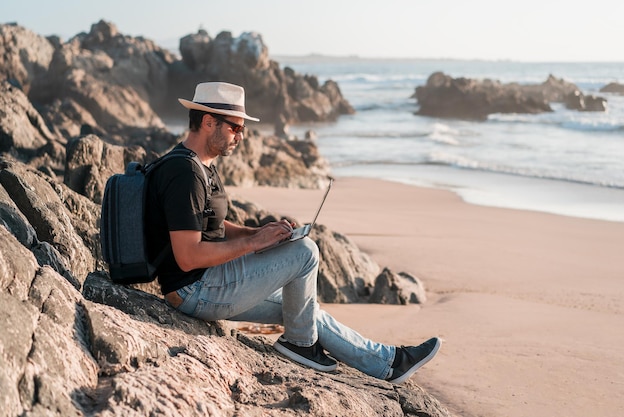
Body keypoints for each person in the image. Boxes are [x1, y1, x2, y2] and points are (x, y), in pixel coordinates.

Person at [145, 81, 441, 383]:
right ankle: (299, 345)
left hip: (207, 282)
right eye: (236, 128)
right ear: (209, 122)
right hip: (194, 290)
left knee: (303, 308)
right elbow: (188, 255)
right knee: (305, 252)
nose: (241, 136)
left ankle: (388, 363)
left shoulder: (201, 165)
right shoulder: (185, 174)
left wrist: (259, 231)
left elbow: (210, 227)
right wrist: (253, 243)